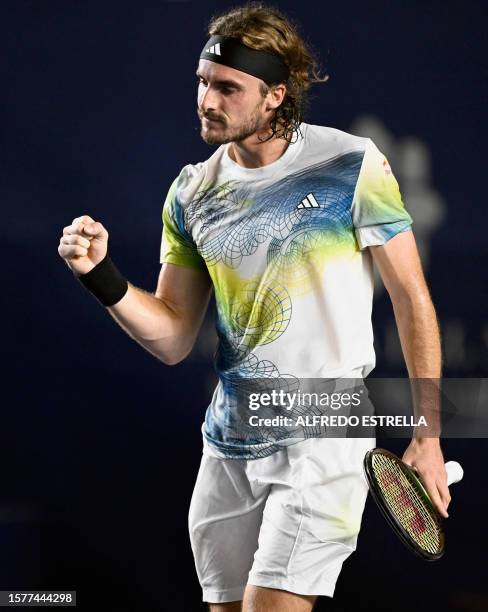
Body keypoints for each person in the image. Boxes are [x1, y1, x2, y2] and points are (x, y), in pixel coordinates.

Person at [58, 4, 451, 611]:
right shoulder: (192, 191)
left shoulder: (351, 164)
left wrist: (428, 431)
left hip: (326, 436)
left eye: (226, 88)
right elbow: (171, 337)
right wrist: (101, 277)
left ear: (274, 96)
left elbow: (411, 298)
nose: (206, 100)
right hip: (227, 442)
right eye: (202, 81)